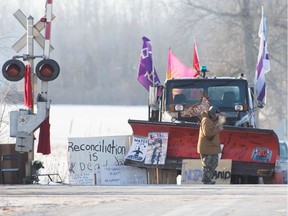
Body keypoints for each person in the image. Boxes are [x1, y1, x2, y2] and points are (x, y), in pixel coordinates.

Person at [197, 106, 223, 184]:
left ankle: (208, 179)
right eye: (216, 114)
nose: (217, 116)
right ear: (212, 114)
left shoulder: (210, 121)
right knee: (208, 165)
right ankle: (206, 180)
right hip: (207, 148)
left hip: (211, 147)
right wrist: (218, 129)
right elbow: (208, 134)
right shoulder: (206, 121)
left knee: (213, 164)